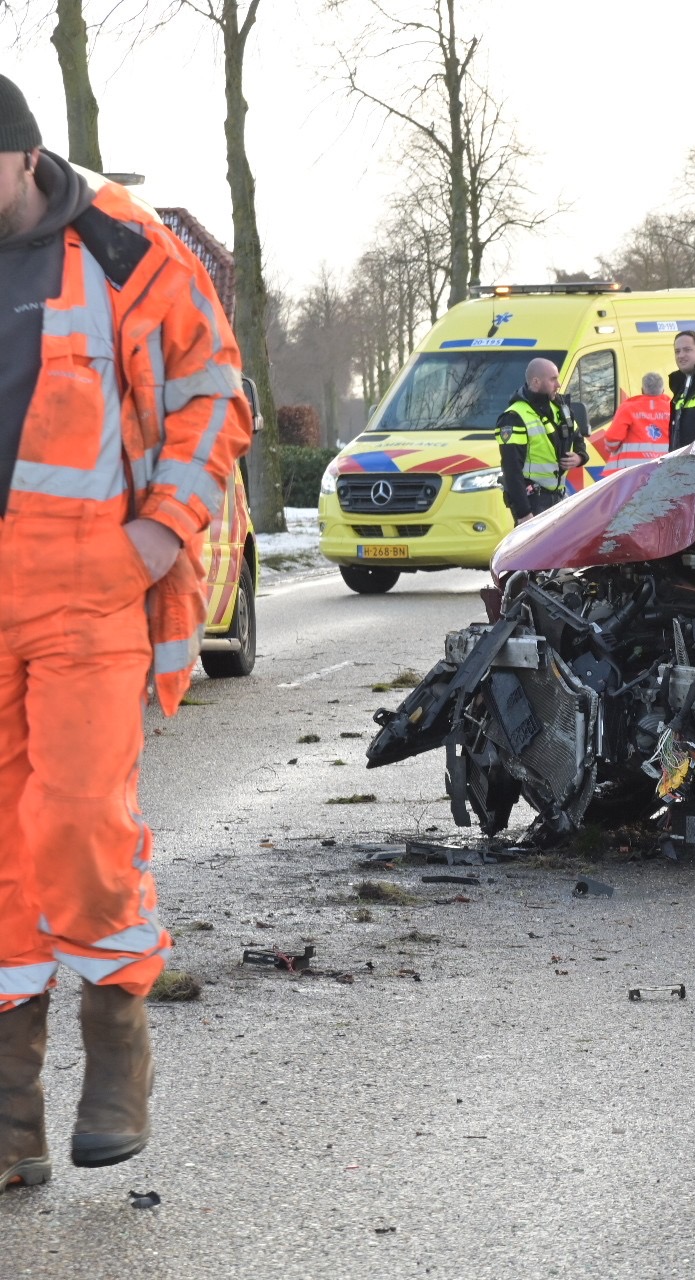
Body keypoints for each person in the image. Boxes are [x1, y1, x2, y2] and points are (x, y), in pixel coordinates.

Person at [0, 76, 252, 1188]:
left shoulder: (119, 243)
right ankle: (10, 1114)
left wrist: (159, 535)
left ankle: (116, 1038)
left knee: (78, 815)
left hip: (86, 586)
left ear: (22, 158)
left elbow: (215, 388)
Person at [496, 357, 584, 522]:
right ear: (536, 382)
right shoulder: (514, 417)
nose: (558, 385)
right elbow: (512, 470)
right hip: (534, 501)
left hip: (559, 497)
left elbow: (578, 437)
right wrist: (524, 513)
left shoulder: (559, 407)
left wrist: (580, 457)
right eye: (553, 379)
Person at [601, 372, 671, 469]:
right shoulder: (672, 409)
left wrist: (610, 448)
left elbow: (612, 438)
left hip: (631, 471)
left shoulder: (628, 408)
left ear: (642, 390)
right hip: (664, 467)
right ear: (663, 390)